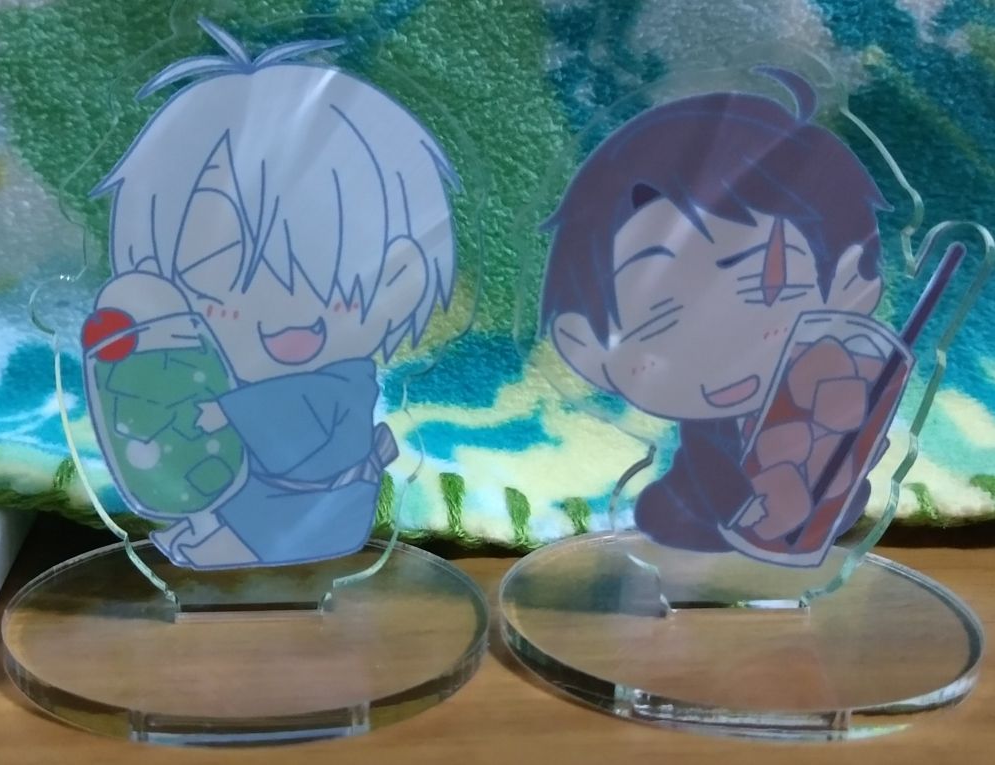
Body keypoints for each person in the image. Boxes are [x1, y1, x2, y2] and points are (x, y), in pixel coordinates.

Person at [86, 18, 459, 569]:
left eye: (336, 286)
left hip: (317, 511)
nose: (288, 317)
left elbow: (312, 447)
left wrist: (229, 412)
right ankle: (221, 528)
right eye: (224, 289)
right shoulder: (205, 362)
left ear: (402, 277)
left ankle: (243, 537)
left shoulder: (341, 388)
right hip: (256, 498)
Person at [540, 67, 897, 561]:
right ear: (581, 343)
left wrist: (831, 468)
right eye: (662, 320)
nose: (725, 344)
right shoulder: (700, 471)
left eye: (771, 289)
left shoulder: (823, 399)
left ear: (849, 280)